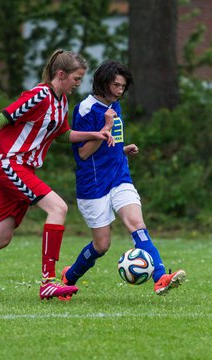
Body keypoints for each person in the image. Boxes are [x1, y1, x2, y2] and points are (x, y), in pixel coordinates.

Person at [0, 49, 114, 301]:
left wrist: (96, 134)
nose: (78, 85)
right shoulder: (39, 96)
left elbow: (62, 136)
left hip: (21, 169)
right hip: (7, 163)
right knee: (58, 208)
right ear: (61, 74)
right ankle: (48, 281)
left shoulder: (61, 102)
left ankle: (48, 281)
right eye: (76, 79)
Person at [61, 59, 186, 296]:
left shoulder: (114, 104)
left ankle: (160, 278)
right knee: (102, 245)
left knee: (137, 225)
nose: (120, 90)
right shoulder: (86, 110)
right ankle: (69, 277)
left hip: (119, 176)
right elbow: (84, 153)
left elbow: (108, 143)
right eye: (116, 85)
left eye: (123, 86)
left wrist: (121, 148)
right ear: (103, 83)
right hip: (93, 185)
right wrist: (105, 129)